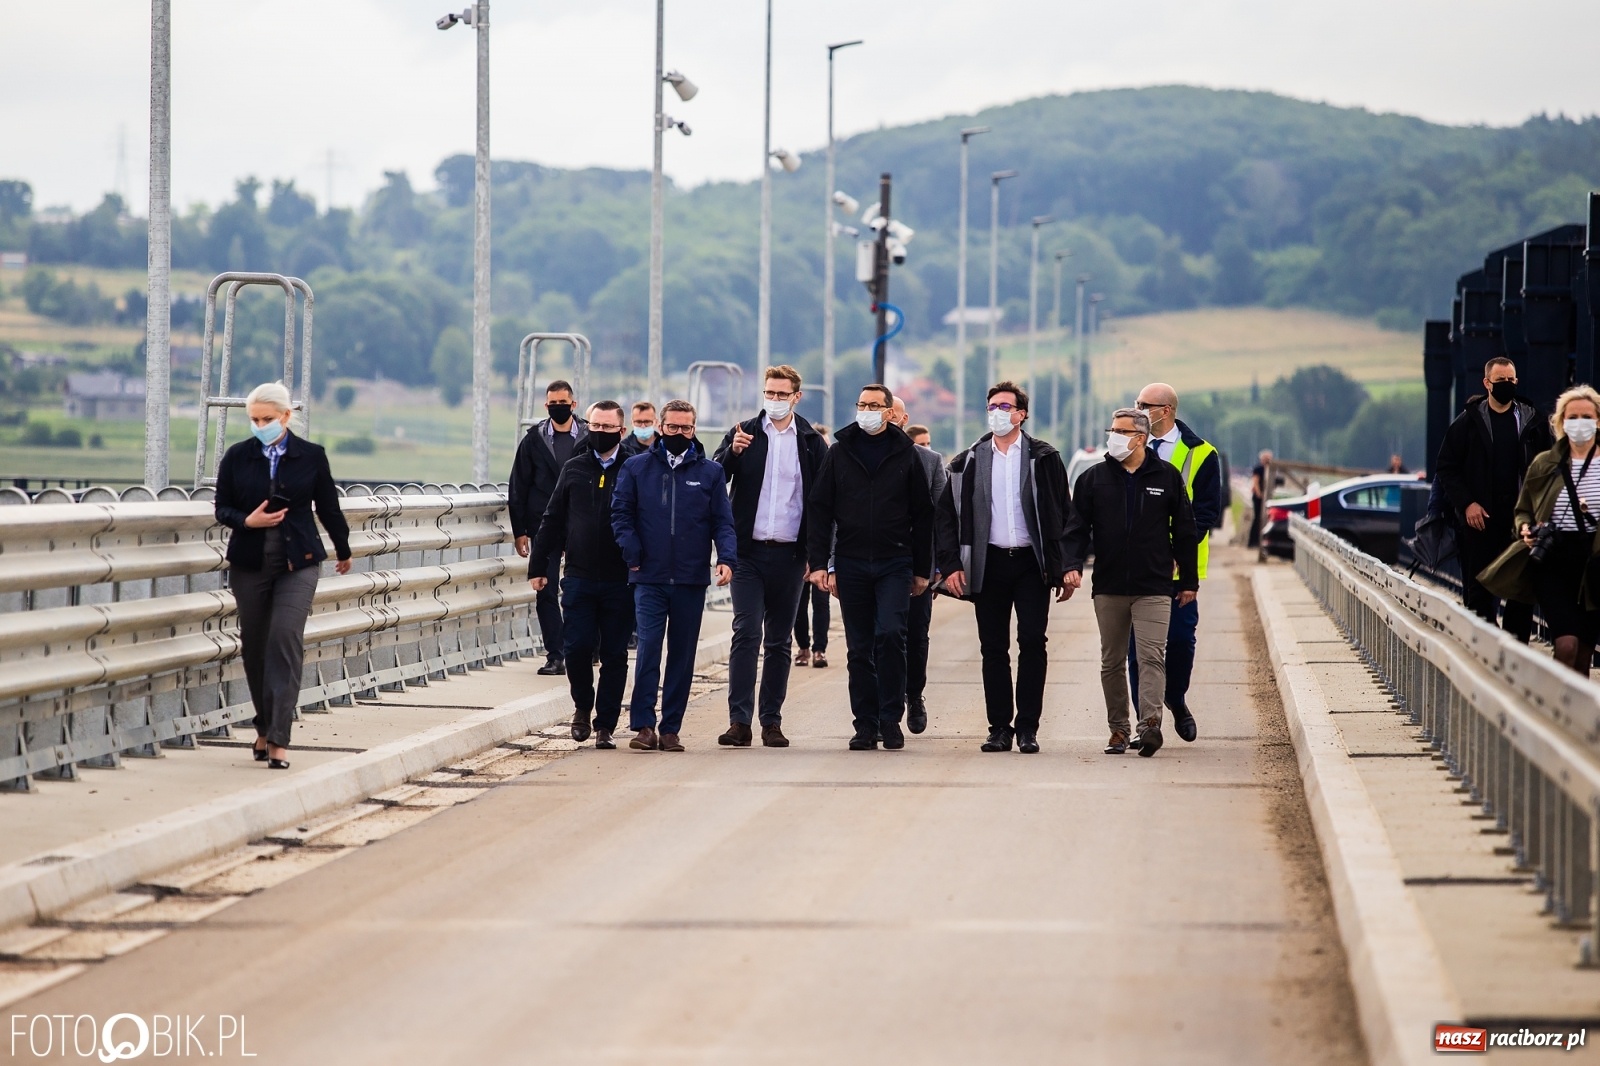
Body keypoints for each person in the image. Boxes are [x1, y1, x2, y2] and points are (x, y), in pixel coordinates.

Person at [214, 382, 352, 770]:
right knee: (255, 646)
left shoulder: (311, 456)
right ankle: (263, 725)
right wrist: (248, 520)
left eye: (267, 419)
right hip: (250, 562)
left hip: (299, 560)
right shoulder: (237, 457)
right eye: (254, 420)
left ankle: (279, 738)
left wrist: (343, 549)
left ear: (286, 417)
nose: (260, 426)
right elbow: (221, 508)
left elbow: (328, 507)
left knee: (284, 638)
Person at [936, 382, 1073, 754]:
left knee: (1032, 641)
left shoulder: (1044, 457)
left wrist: (1064, 567)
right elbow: (946, 518)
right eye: (992, 405)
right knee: (992, 647)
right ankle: (999, 727)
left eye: (1005, 406)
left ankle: (1028, 726)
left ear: (1021, 414)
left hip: (1031, 563)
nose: (997, 412)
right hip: (989, 562)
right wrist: (950, 566)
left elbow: (1062, 513)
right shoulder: (968, 461)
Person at [1063, 407, 1199, 757]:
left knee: (1152, 656)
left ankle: (1149, 726)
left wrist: (1188, 581)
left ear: (1141, 438)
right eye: (1112, 429)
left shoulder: (1166, 476)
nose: (1113, 436)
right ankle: (1119, 730)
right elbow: (1077, 529)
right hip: (1108, 585)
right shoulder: (1093, 479)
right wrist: (1072, 565)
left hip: (1154, 585)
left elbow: (1184, 531)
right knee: (1112, 661)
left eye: (1121, 431)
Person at [806, 385, 934, 751]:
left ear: (889, 411)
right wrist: (820, 564)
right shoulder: (839, 452)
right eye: (861, 404)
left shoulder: (906, 453)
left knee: (892, 634)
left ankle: (891, 718)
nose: (867, 410)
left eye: (874, 405)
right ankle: (865, 724)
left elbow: (923, 515)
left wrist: (922, 569)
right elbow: (820, 509)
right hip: (851, 561)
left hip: (896, 561)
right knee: (860, 647)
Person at [712, 366, 829, 748]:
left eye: (781, 395)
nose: (774, 401)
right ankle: (739, 721)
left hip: (791, 555)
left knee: (779, 642)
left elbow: (823, 503)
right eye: (769, 393)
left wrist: (818, 556)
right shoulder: (744, 431)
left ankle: (771, 721)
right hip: (747, 552)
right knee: (747, 633)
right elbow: (715, 478)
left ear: (797, 396)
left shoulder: (811, 441)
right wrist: (733, 452)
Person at [612, 399, 736, 751]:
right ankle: (643, 726)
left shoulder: (710, 473)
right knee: (649, 648)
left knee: (682, 654)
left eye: (686, 428)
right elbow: (620, 513)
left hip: (690, 578)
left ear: (694, 429)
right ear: (660, 427)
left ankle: (671, 728)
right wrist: (631, 550)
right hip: (647, 576)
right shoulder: (636, 468)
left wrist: (726, 558)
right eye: (672, 427)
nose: (679, 433)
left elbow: (722, 522)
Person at [528, 401, 633, 750]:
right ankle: (582, 707)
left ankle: (605, 724)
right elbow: (552, 519)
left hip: (621, 579)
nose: (600, 433)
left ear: (622, 430)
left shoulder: (634, 469)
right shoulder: (574, 468)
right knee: (576, 649)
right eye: (595, 426)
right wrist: (538, 567)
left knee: (616, 655)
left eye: (608, 427)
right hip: (579, 575)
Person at [1125, 382, 1222, 744]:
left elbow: (1206, 512)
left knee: (1180, 640)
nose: (1137, 410)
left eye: (1143, 404)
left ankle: (1176, 698)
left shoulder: (1201, 453)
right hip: (1139, 567)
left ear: (1165, 410)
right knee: (1139, 648)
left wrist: (1174, 552)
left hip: (1181, 569)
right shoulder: (1128, 446)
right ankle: (1146, 724)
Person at [1436, 357, 1549, 643]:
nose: (1508, 386)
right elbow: (1447, 468)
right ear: (1487, 384)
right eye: (1501, 381)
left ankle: (1516, 653)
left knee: (1521, 591)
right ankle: (1485, 650)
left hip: (1520, 523)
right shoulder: (1467, 425)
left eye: (1512, 380)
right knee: (1478, 594)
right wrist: (1466, 504)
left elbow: (1549, 468)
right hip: (1479, 523)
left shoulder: (1532, 423)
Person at [1491, 386, 1600, 675]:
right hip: (1554, 562)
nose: (1579, 423)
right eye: (1572, 416)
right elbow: (1523, 508)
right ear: (1561, 422)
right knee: (1566, 646)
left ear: (1598, 420)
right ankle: (1553, 704)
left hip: (1594, 566)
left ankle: (1572, 717)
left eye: (1586, 416)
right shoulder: (1545, 464)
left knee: (1584, 653)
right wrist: (1525, 528)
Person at [509, 380, 587, 676]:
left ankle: (583, 647)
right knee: (544, 588)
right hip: (544, 525)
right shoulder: (534, 440)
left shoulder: (591, 438)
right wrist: (520, 530)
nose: (558, 407)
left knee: (582, 590)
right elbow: (518, 485)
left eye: (562, 402)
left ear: (573, 404)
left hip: (583, 524)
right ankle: (556, 654)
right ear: (546, 406)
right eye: (552, 403)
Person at [891, 400, 947, 735]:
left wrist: (938, 566)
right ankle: (886, 706)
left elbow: (942, 518)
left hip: (916, 566)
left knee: (915, 635)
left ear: (902, 418)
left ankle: (914, 695)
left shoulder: (929, 462)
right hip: (874, 565)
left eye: (888, 412)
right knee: (882, 636)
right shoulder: (855, 455)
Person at [794, 426, 832, 669]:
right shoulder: (804, 478)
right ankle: (803, 647)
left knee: (821, 602)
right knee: (798, 603)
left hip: (823, 551)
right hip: (799, 548)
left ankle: (820, 649)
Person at [1248, 449, 1273, 548]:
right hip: (1259, 497)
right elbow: (1255, 482)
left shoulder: (1270, 469)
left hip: (1265, 497)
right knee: (1257, 517)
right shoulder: (1258, 468)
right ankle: (1253, 541)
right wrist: (1260, 494)